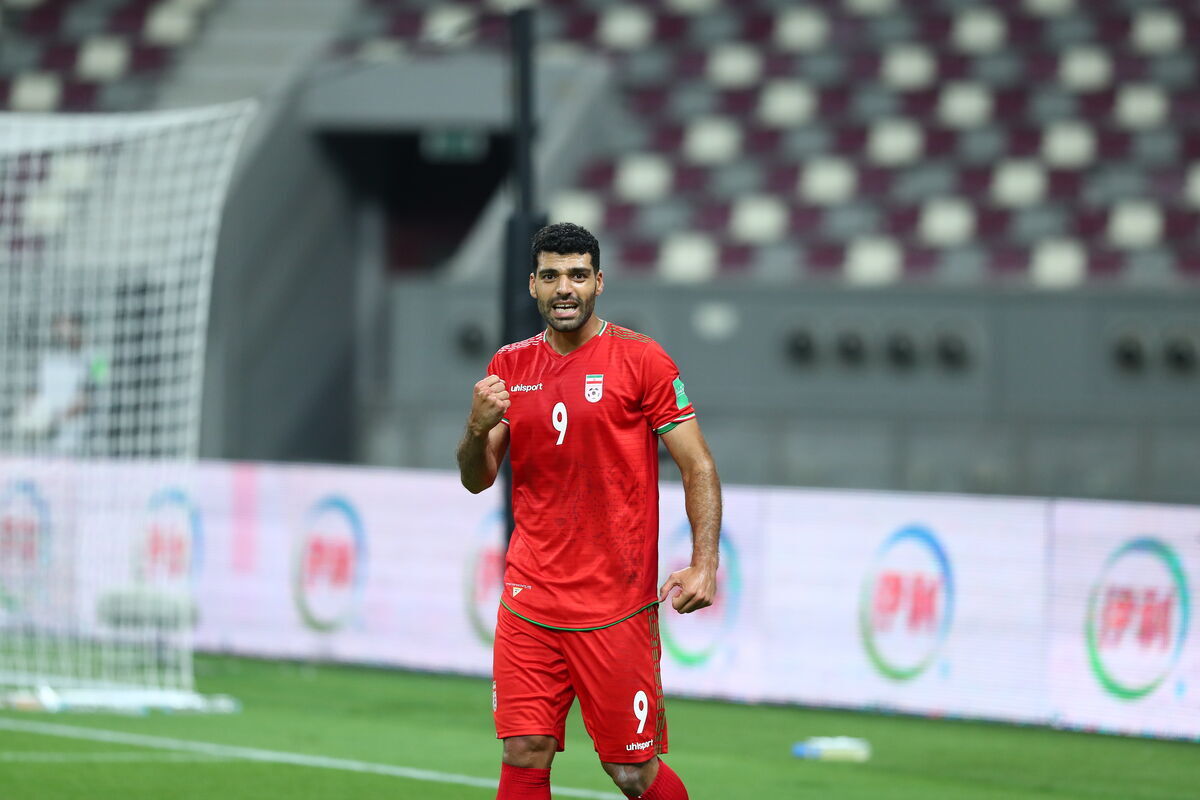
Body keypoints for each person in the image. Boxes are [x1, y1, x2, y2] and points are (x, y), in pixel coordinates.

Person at [457, 223, 721, 800]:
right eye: (551, 276)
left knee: (631, 771)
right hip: (531, 599)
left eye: (577, 275)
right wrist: (475, 429)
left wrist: (704, 563)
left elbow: (697, 465)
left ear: (599, 281)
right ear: (532, 285)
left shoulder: (642, 360)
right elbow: (477, 480)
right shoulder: (510, 366)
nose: (564, 288)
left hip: (614, 606)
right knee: (523, 750)